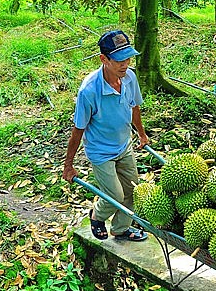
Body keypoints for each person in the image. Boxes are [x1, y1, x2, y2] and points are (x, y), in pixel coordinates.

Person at [62, 30, 150, 242]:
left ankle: (120, 229)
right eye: (119, 60)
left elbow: (134, 107)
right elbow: (78, 129)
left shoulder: (129, 78)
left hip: (123, 145)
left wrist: (142, 134)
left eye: (128, 58)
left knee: (132, 191)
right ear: (104, 59)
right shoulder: (89, 90)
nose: (125, 64)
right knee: (115, 196)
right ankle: (97, 215)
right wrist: (68, 165)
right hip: (101, 152)